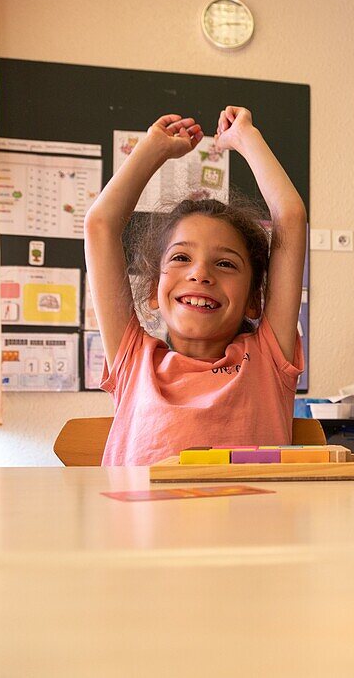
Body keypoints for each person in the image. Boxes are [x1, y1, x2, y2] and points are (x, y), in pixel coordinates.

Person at [85, 107, 307, 465]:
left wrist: (247, 139)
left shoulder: (267, 359)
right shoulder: (134, 361)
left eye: (225, 263)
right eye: (180, 258)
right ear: (154, 288)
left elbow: (291, 217)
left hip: (250, 522)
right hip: (142, 521)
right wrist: (151, 149)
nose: (200, 274)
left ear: (254, 300)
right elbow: (100, 225)